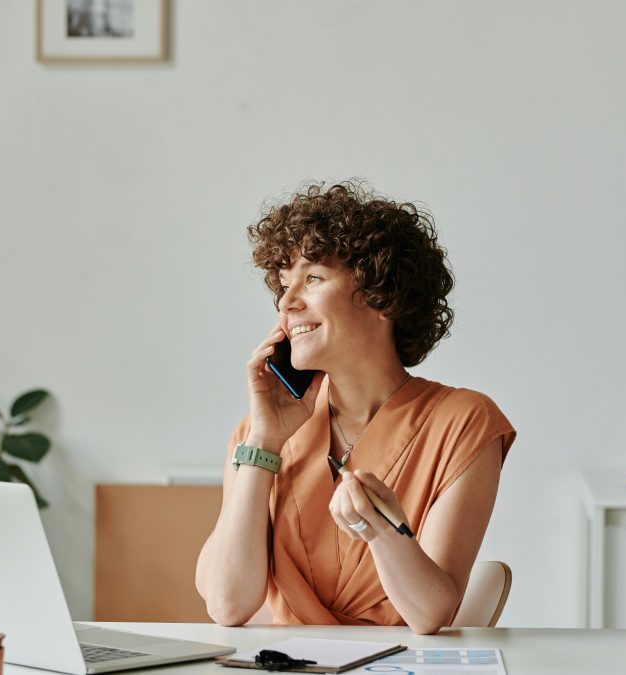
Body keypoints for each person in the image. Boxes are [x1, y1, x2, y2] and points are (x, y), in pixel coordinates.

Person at [195, 181, 515, 634]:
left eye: (313, 278)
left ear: (383, 295)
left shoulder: (463, 422)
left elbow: (430, 614)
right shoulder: (258, 436)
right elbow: (227, 605)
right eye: (284, 286)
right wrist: (263, 443)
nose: (287, 303)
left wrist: (382, 530)